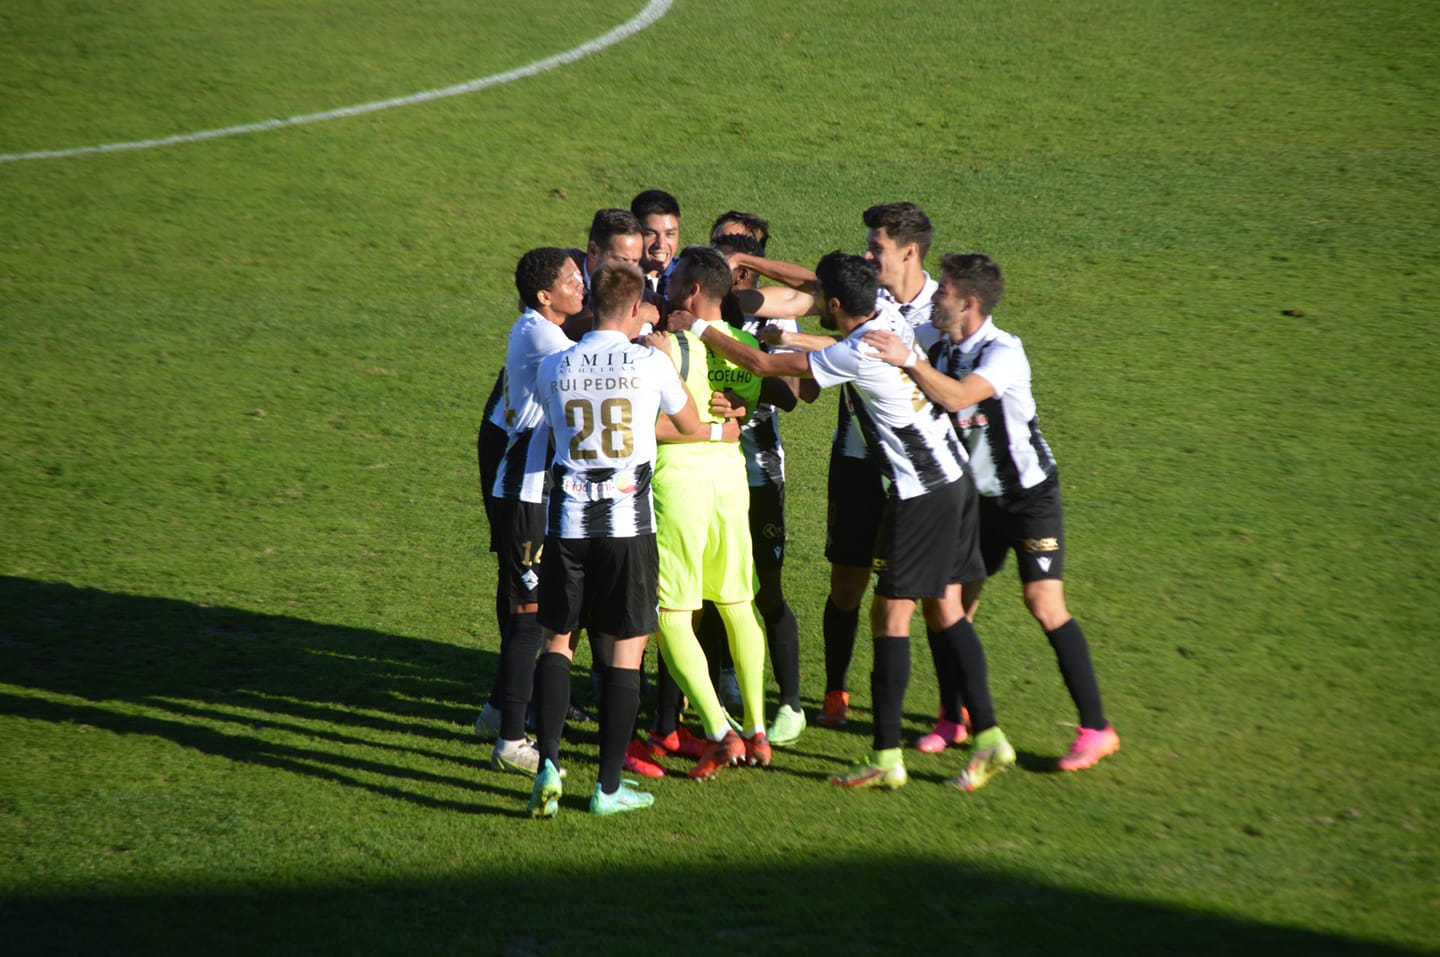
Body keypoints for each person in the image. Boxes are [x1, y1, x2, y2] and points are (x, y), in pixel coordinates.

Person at [670, 251, 1016, 792]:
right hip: (954, 480)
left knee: (892, 620)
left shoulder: (858, 351)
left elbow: (762, 367)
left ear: (834, 304)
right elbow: (825, 340)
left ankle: (887, 756)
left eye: (818, 300)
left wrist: (697, 328)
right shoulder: (882, 316)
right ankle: (987, 737)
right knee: (946, 612)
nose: (811, 304)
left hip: (921, 493)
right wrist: (787, 335)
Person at [863, 253, 1120, 771]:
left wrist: (910, 361)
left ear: (969, 303)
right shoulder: (936, 343)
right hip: (971, 500)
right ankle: (954, 717)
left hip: (1027, 499)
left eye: (943, 293)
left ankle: (1096, 728)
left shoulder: (1003, 353)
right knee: (947, 604)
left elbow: (960, 398)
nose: (934, 299)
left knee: (1043, 602)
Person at [526, 260, 700, 817]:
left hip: (567, 525)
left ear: (593, 305)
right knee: (627, 649)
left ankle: (548, 764)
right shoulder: (650, 362)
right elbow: (691, 423)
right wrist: (664, 358)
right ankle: (606, 788)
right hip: (628, 526)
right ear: (634, 308)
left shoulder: (555, 364)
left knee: (558, 641)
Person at [641, 245, 773, 780]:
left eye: (673, 281)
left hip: (679, 486)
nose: (666, 288)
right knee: (738, 604)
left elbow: (648, 426)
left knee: (670, 615)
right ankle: (757, 729)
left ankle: (720, 732)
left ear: (692, 291)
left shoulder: (666, 346)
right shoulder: (746, 346)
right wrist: (724, 427)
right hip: (731, 484)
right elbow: (743, 411)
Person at [486, 248, 587, 777]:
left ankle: (495, 711)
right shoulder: (538, 333)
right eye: (571, 280)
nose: (581, 284)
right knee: (529, 617)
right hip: (524, 491)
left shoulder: (541, 329)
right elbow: (590, 363)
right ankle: (510, 741)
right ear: (545, 295)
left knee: (535, 612)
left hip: (537, 491)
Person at [709, 231, 813, 746]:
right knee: (708, 588)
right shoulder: (698, 316)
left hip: (759, 471)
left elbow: (793, 396)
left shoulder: (775, 320)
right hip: (707, 468)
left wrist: (744, 379)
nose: (730, 274)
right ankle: (716, 686)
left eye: (738, 265)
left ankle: (790, 704)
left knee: (767, 589)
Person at [630, 189, 682, 294]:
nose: (661, 244)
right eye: (650, 234)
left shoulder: (688, 277)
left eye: (669, 234)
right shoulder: (618, 280)